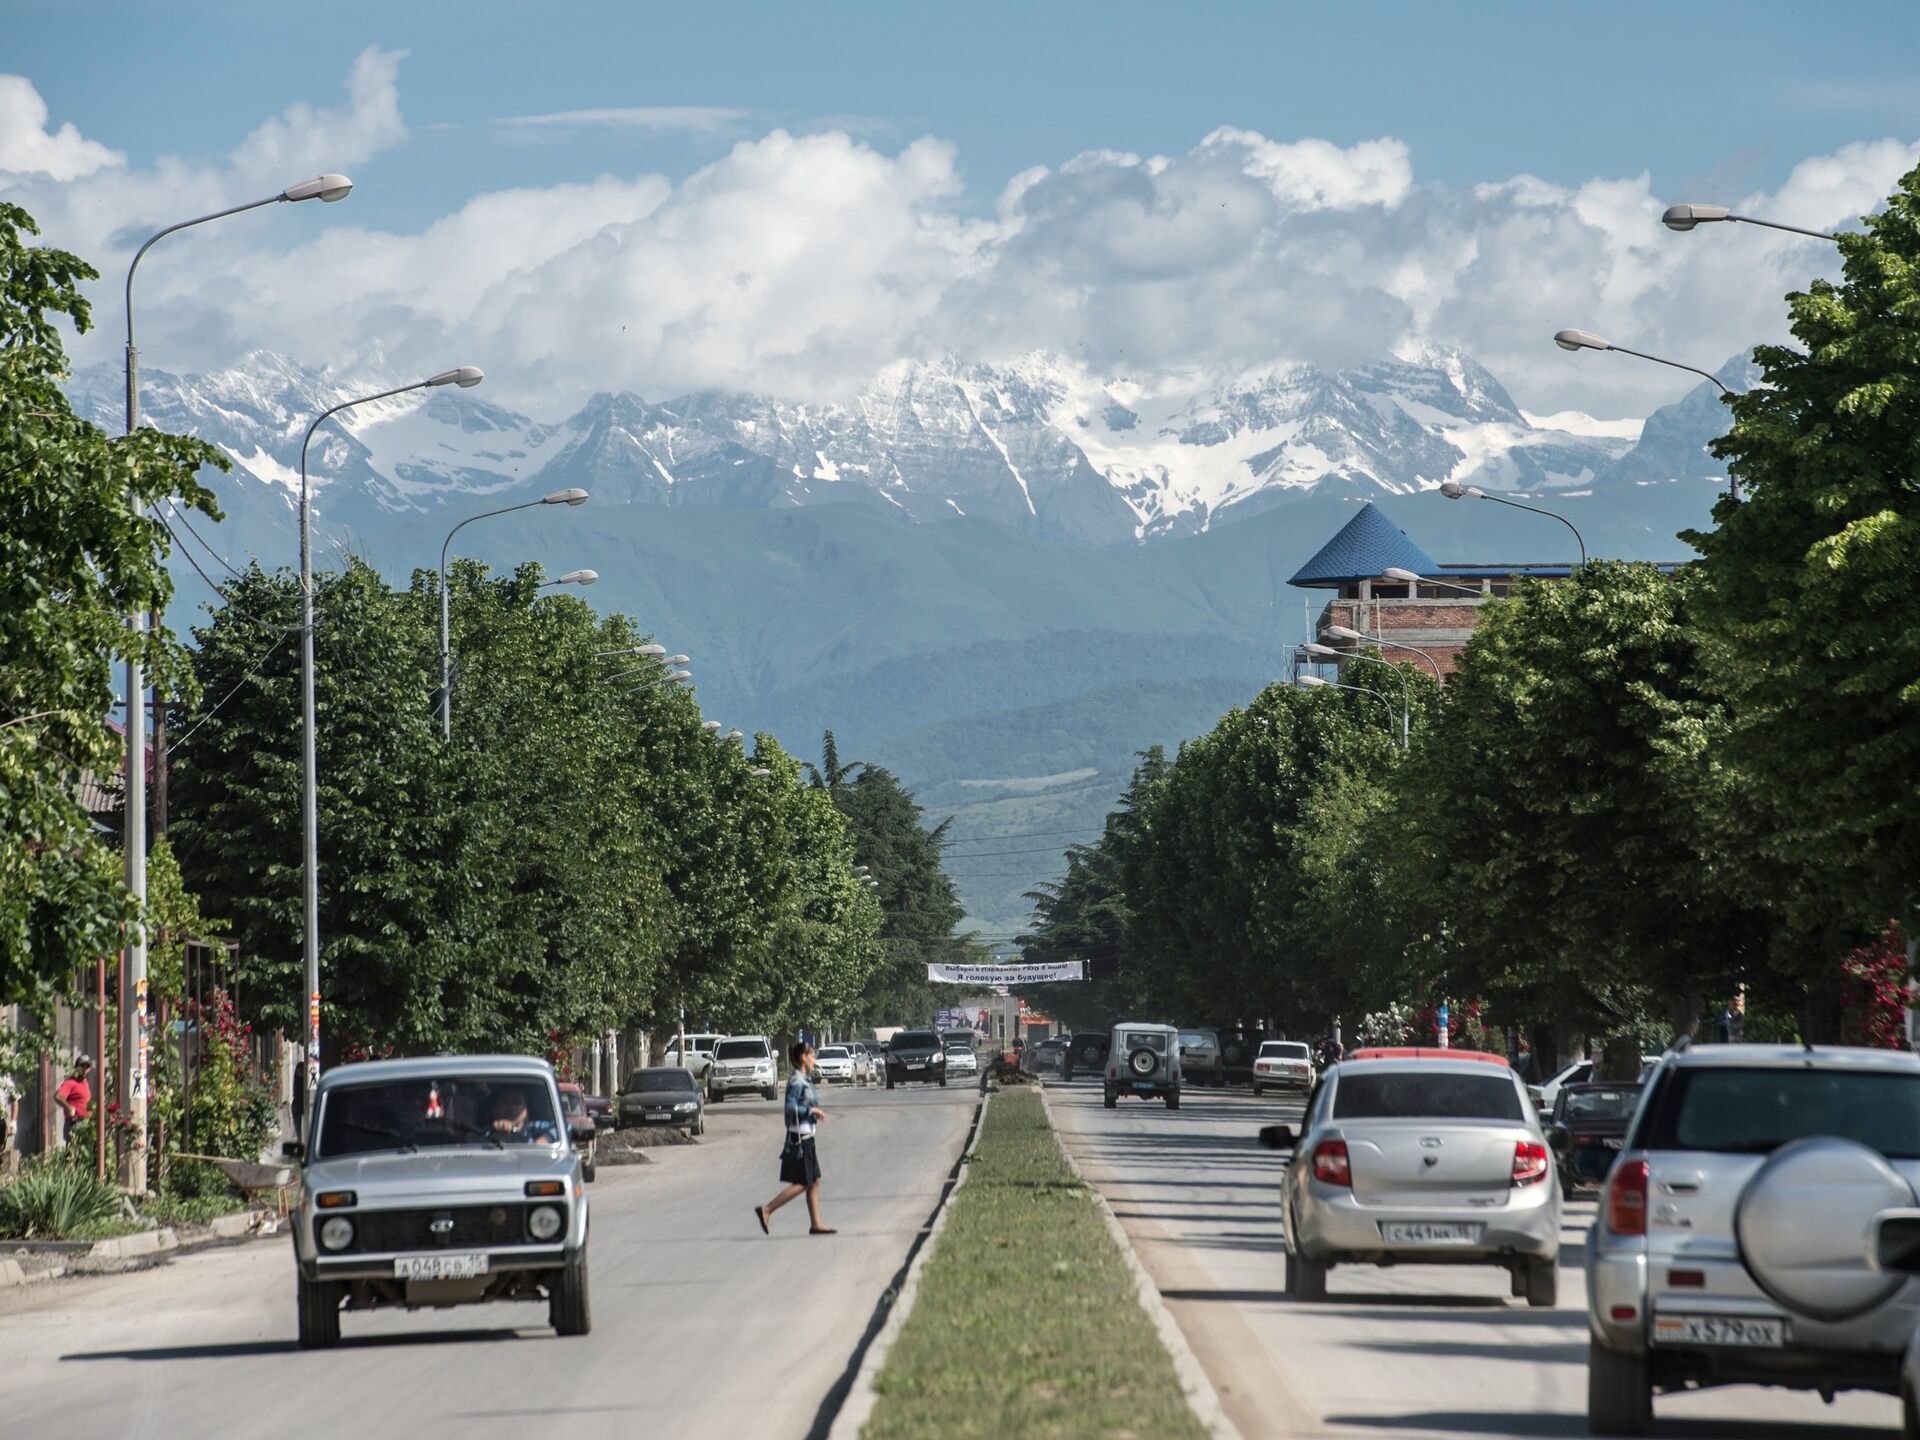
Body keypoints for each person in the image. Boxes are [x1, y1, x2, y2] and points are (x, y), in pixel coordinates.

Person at [755, 1041, 833, 1236]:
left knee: (814, 1180)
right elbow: (790, 1107)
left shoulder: (804, 1080)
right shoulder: (797, 1081)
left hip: (807, 1134)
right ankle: (767, 1209)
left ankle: (816, 1223)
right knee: (804, 1182)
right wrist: (811, 1110)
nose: (814, 1059)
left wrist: (812, 1112)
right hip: (799, 1137)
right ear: (803, 1058)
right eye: (812, 1055)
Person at [488, 1088, 559, 1144]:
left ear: (525, 1111)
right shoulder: (486, 1133)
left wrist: (545, 1139)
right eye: (505, 1102)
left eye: (517, 1102)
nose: (511, 1107)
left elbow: (564, 1127)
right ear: (494, 1110)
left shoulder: (532, 1129)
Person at [54, 1054, 92, 1145]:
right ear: (76, 1067)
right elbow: (57, 1096)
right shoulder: (71, 1082)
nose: (84, 1069)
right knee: (73, 1153)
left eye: (87, 1066)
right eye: (82, 1066)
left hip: (85, 1123)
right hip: (75, 1123)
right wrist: (69, 1107)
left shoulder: (85, 1082)